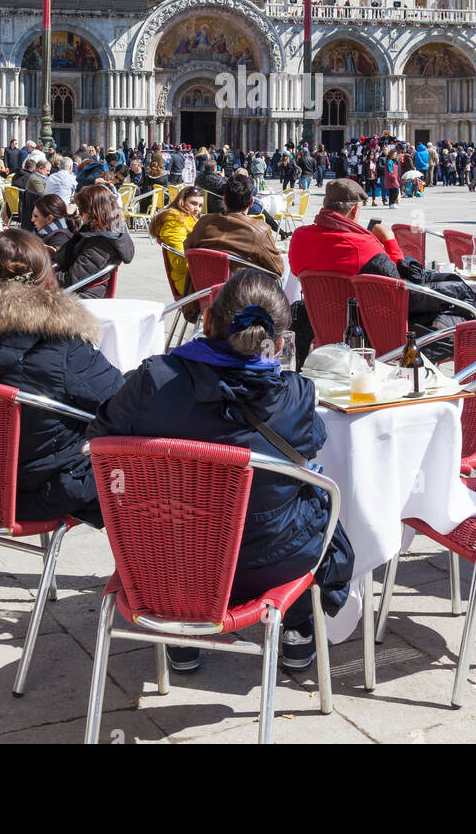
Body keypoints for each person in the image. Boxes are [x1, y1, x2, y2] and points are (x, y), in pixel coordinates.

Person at [87, 269, 353, 671]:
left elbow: (101, 433)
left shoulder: (153, 381)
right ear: (279, 343)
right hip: (266, 565)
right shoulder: (296, 397)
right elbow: (312, 444)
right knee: (316, 506)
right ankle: (297, 630)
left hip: (164, 560)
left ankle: (182, 631)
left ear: (207, 320)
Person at [0, 229, 123, 532]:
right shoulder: (61, 340)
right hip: (42, 490)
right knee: (138, 465)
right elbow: (119, 400)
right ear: (45, 278)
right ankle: (145, 569)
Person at [185, 173, 285, 278]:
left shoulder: (202, 223)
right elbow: (278, 269)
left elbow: (186, 249)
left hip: (203, 290)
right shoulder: (260, 231)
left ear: (224, 200)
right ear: (251, 203)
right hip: (240, 292)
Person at [54, 183, 135, 296]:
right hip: (78, 291)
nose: (80, 215)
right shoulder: (103, 231)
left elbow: (71, 280)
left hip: (82, 297)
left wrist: (42, 276)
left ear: (94, 212)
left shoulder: (101, 243)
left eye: (81, 210)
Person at [149, 184, 204, 296]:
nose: (197, 209)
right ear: (182, 201)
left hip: (193, 277)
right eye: (193, 203)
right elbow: (179, 262)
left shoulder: (189, 220)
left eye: (200, 205)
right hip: (188, 281)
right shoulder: (175, 222)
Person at [30, 193, 76, 257]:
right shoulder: (42, 231)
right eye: (32, 215)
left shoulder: (60, 239)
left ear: (49, 218)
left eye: (36, 216)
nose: (32, 219)